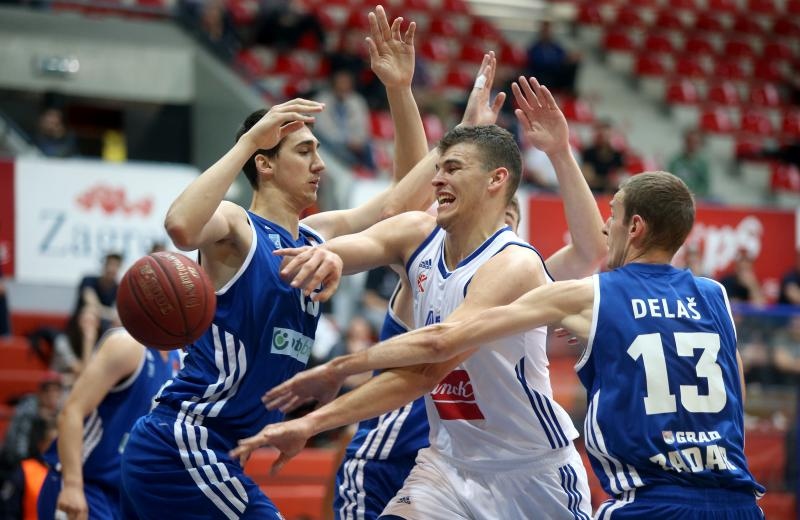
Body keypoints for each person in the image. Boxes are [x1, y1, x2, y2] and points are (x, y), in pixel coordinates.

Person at [118, 8, 453, 518]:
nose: (320, 164)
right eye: (304, 151)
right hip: (184, 442)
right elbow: (182, 226)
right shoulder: (236, 228)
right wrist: (249, 138)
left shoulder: (319, 236)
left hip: (217, 449)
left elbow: (400, 207)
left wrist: (399, 91)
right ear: (266, 165)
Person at [280, 172, 766, 518]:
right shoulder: (716, 296)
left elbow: (443, 341)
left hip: (604, 487)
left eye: (612, 216)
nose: (606, 227)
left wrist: (338, 368)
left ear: (633, 227)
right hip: (736, 497)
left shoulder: (578, 289)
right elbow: (735, 397)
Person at [234, 76, 607, 519]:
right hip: (446, 463)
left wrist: (337, 371)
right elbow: (373, 230)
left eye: (452, 169)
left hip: (530, 473)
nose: (437, 180)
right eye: (439, 168)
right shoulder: (418, 235)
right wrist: (329, 256)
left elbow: (436, 350)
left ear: (496, 182)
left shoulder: (516, 263)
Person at [334, 195, 521, 520]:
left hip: (460, 469)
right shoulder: (428, 271)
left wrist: (560, 154)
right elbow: (394, 212)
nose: (503, 229)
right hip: (391, 457)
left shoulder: (521, 280)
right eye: (498, 219)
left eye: (511, 221)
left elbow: (587, 252)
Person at [37, 329, 180, 520]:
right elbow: (72, 411)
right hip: (85, 484)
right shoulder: (127, 346)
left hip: (122, 496)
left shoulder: (180, 359)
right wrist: (72, 485)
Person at [65, 252, 123, 371]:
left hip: (102, 328)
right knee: (90, 316)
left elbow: (119, 314)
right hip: (78, 329)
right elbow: (92, 304)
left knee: (119, 324)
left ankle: (112, 367)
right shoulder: (88, 280)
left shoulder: (118, 287)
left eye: (116, 266)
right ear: (103, 266)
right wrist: (112, 314)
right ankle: (87, 368)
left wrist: (115, 317)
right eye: (110, 265)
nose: (112, 269)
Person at [581, 120, 625, 194]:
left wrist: (601, 181)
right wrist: (607, 181)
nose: (605, 137)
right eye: (602, 134)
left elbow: (618, 180)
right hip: (592, 191)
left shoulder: (618, 155)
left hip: (611, 192)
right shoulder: (589, 153)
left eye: (607, 135)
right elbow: (588, 178)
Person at [668, 129, 710, 200]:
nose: (692, 145)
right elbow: (670, 181)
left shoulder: (702, 164)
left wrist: (696, 193)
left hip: (698, 198)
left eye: (695, 142)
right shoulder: (675, 161)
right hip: (678, 197)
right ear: (685, 142)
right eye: (690, 141)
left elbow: (705, 185)